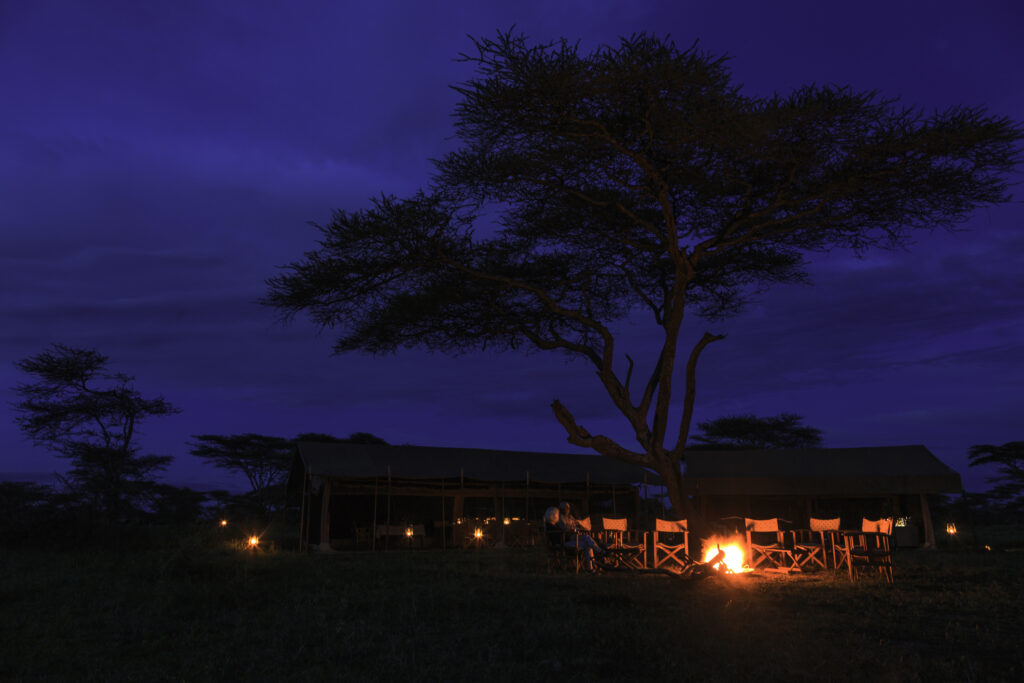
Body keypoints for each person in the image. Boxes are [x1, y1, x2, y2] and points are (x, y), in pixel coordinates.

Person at [545, 504, 605, 571]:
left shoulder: (553, 525)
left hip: (566, 540)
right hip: (562, 543)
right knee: (586, 543)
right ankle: (596, 558)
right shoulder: (551, 526)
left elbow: (563, 533)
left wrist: (569, 533)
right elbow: (558, 537)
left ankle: (592, 565)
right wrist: (568, 533)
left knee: (586, 538)